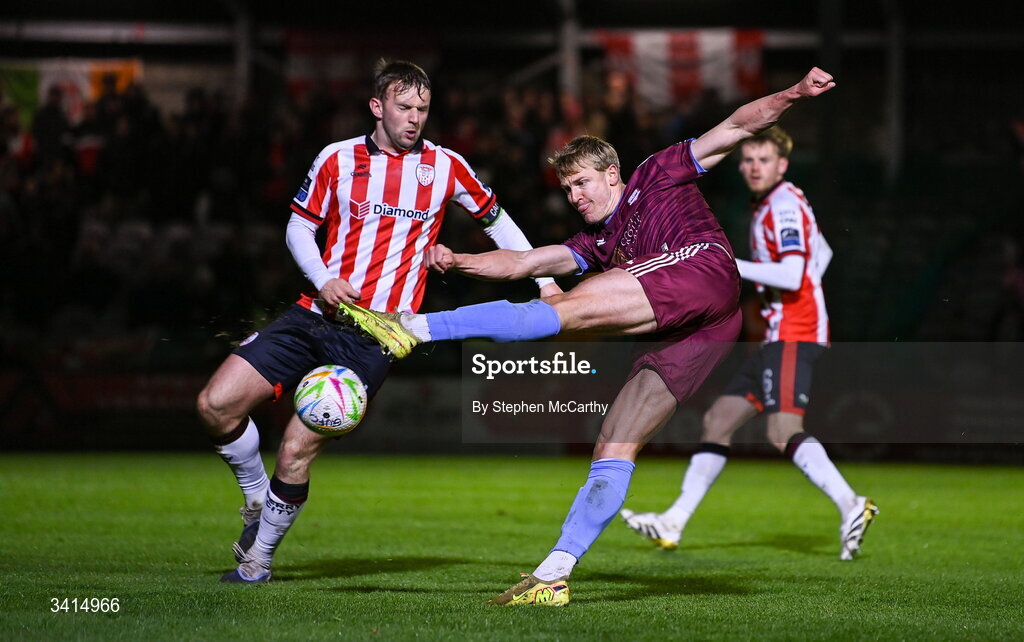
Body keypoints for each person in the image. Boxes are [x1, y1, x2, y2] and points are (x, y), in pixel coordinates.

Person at [338, 67, 839, 606]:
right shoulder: (594, 242)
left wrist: (792, 94)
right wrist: (460, 260)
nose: (575, 196)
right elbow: (525, 261)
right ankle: (555, 573)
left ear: (613, 174)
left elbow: (739, 126)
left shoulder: (656, 174)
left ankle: (413, 328)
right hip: (709, 327)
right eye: (567, 187)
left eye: (582, 182)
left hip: (703, 271)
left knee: (564, 311)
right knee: (614, 442)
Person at [196, 59, 558, 583]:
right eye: (405, 107)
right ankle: (255, 496)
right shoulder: (337, 159)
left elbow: (499, 223)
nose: (414, 118)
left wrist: (543, 282)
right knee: (214, 405)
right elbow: (299, 229)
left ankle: (257, 563)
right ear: (378, 106)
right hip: (316, 313)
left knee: (297, 448)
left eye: (423, 109)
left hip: (376, 336)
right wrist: (323, 279)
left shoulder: (447, 166)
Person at [619, 126, 878, 561]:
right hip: (781, 332)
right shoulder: (774, 204)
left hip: (795, 331)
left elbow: (795, 275)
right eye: (748, 160)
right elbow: (823, 253)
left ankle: (851, 503)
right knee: (718, 421)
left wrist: (727, 264)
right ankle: (674, 520)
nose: (754, 167)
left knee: (782, 432)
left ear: (782, 165)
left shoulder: (782, 203)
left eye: (763, 160)